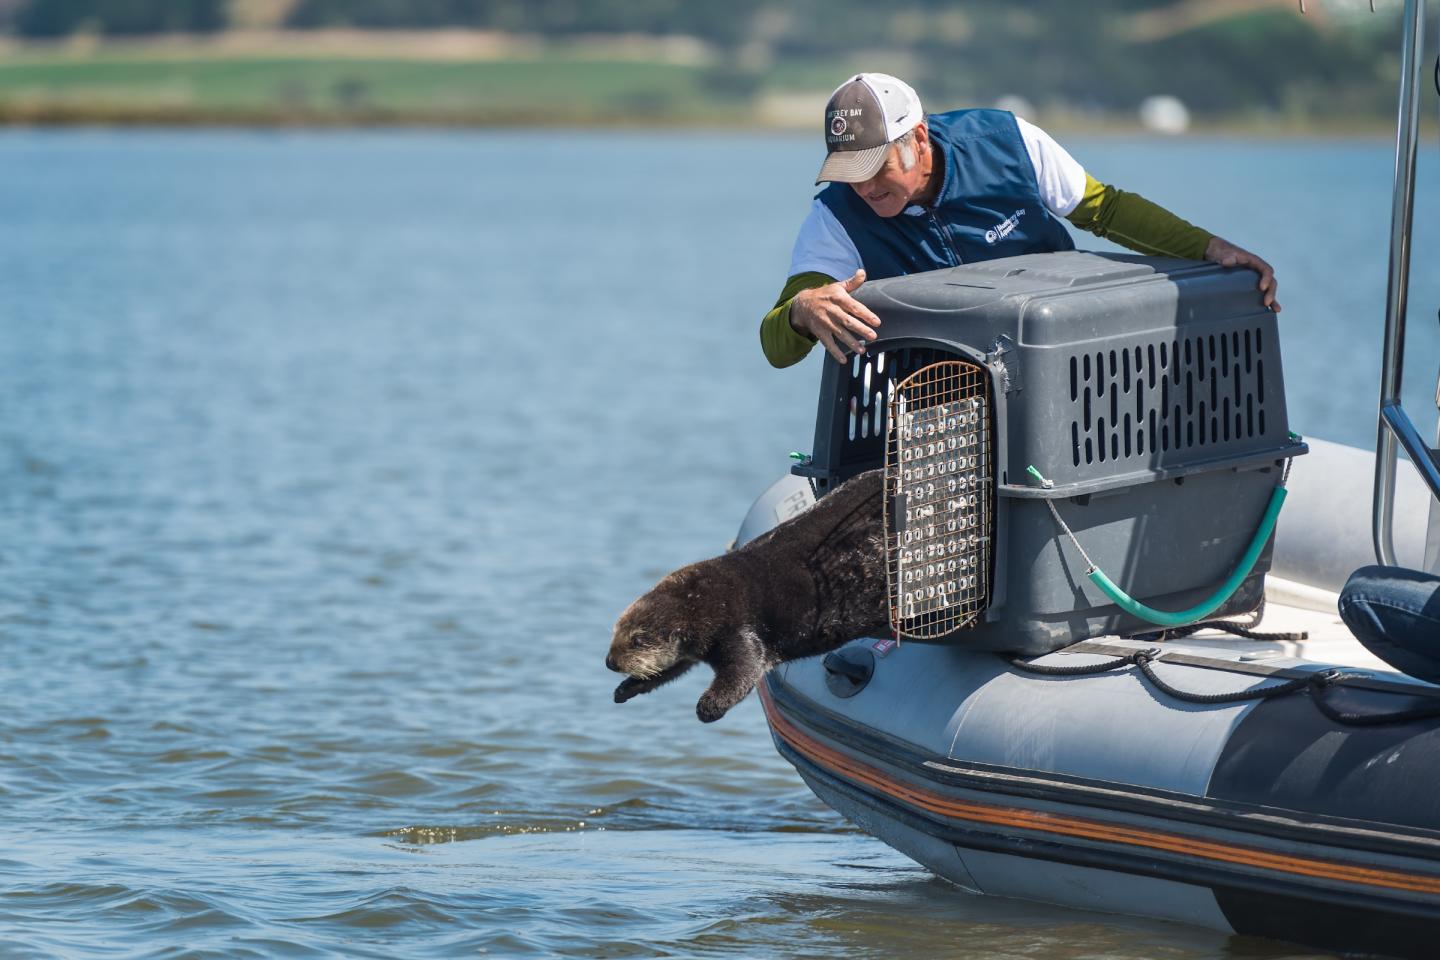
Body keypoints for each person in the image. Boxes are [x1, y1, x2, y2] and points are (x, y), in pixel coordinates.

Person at [761, 73, 1281, 368]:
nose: (866, 187)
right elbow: (775, 345)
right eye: (851, 173)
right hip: (936, 408)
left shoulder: (1007, 142)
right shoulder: (834, 216)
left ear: (918, 138)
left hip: (1063, 363)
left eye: (879, 167)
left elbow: (1108, 209)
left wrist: (1209, 249)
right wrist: (803, 309)